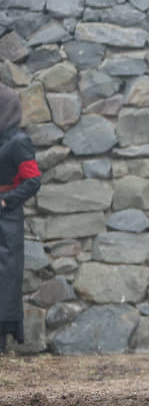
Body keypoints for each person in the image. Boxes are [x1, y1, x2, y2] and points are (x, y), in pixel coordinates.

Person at [0, 84, 41, 354]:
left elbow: (33, 180)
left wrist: (6, 200)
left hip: (7, 219)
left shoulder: (19, 141)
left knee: (5, 276)